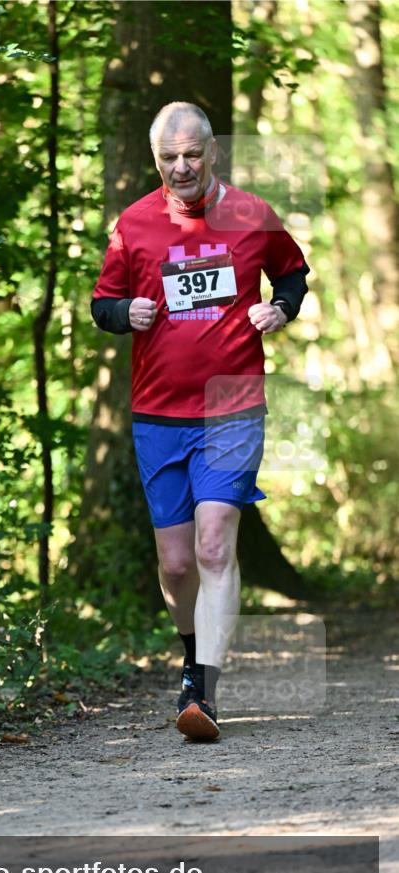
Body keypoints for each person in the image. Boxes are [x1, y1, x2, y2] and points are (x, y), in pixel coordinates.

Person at [91, 102, 310, 741]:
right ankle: (192, 652)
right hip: (158, 411)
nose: (181, 167)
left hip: (232, 403)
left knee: (216, 543)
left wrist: (281, 310)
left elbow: (292, 274)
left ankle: (204, 690)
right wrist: (122, 312)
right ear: (154, 159)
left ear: (212, 151)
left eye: (192, 155)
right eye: (169, 158)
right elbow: (102, 303)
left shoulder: (250, 213)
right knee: (178, 564)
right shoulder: (132, 225)